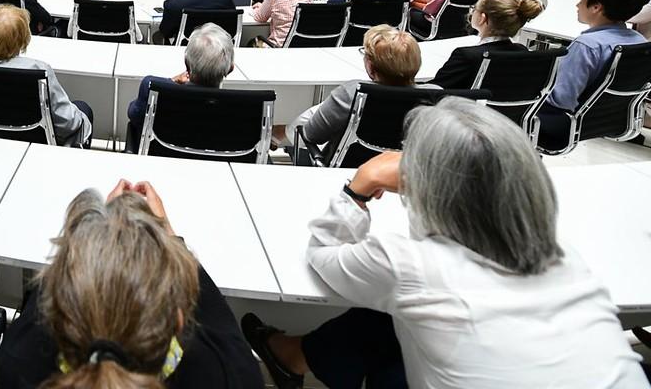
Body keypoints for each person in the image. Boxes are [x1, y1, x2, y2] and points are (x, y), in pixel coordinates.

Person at [244, 99, 645, 389]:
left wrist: (359, 188)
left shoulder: (409, 262)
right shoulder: (565, 256)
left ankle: (290, 354)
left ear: (427, 185)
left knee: (389, 311)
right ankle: (293, 354)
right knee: (390, 315)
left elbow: (323, 254)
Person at [0, 179, 262, 389]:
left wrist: (94, 239)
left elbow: (51, 293)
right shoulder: (230, 376)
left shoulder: (21, 365)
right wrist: (169, 235)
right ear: (179, 321)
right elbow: (218, 320)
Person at [537, 0, 649, 151]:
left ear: (596, 7)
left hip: (565, 123)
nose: (577, 5)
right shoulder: (640, 41)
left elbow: (561, 100)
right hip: (603, 121)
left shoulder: (587, 46)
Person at [285, 25, 426, 160]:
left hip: (349, 171)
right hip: (408, 171)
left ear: (370, 66)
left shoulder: (352, 92)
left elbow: (311, 136)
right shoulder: (433, 97)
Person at [0, 5, 92, 146]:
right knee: (83, 110)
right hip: (33, 147)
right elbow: (68, 123)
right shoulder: (38, 71)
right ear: (24, 38)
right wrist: (80, 117)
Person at [126, 21, 236, 151]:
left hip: (161, 161)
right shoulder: (242, 107)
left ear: (186, 64)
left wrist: (171, 81)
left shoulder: (151, 88)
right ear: (230, 68)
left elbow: (134, 115)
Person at [431, 0, 544, 89]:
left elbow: (433, 91)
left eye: (475, 8)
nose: (472, 12)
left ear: (482, 18)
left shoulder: (466, 56)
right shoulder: (522, 52)